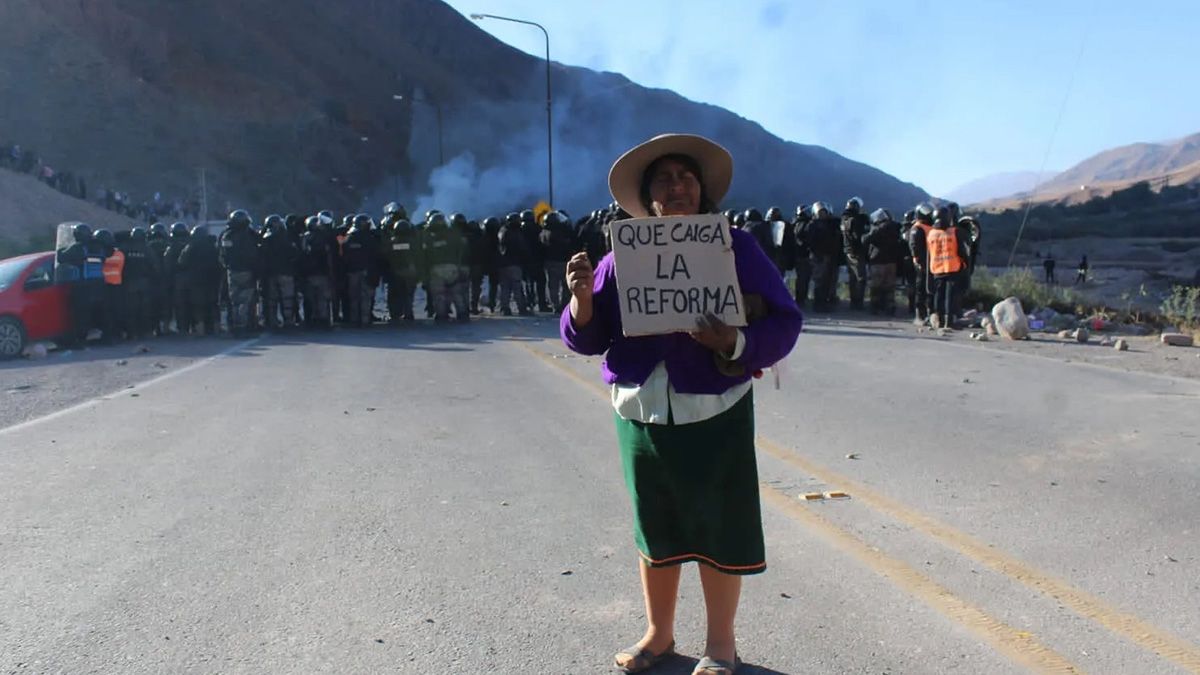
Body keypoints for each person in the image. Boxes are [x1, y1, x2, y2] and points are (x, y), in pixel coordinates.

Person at [560, 133, 802, 674]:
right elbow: (587, 336)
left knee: (719, 525)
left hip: (713, 409)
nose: (677, 186)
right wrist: (580, 304)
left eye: (686, 177)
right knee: (655, 524)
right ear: (647, 197)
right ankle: (659, 635)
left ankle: (721, 647)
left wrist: (734, 344)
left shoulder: (736, 247)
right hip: (640, 410)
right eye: (664, 179)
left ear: (702, 191)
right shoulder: (621, 256)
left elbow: (787, 320)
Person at [218, 210, 261, 338]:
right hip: (247, 271)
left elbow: (222, 255)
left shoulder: (227, 235)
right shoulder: (250, 235)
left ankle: (235, 326)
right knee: (246, 301)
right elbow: (256, 253)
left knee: (234, 301)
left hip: (232, 271)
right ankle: (246, 326)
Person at [925, 206, 969, 329]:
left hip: (937, 269)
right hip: (953, 268)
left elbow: (929, 253)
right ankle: (949, 321)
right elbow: (962, 250)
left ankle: (938, 320)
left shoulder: (931, 234)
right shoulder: (955, 232)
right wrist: (965, 263)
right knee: (950, 296)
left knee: (938, 296)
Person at [862, 208, 902, 315]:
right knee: (889, 286)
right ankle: (889, 306)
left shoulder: (877, 229)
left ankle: (875, 306)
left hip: (877, 260)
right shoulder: (896, 227)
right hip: (892, 260)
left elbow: (865, 240)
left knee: (876, 286)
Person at [807, 202, 841, 313]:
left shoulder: (831, 224)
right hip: (818, 257)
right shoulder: (812, 225)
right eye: (820, 212)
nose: (822, 214)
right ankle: (818, 304)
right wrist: (818, 254)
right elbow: (811, 242)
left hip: (830, 256)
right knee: (819, 281)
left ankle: (825, 302)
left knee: (828, 281)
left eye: (824, 212)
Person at [907, 204, 934, 324]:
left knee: (928, 288)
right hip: (922, 263)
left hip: (931, 261)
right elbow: (913, 246)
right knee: (921, 288)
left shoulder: (929, 226)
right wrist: (917, 259)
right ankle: (919, 315)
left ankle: (929, 313)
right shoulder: (917, 228)